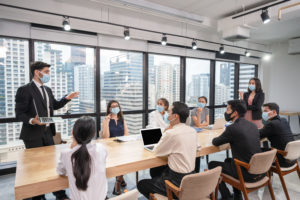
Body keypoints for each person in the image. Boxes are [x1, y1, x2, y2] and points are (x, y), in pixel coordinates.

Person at [15, 61, 79, 200]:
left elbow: (54, 106)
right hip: (33, 134)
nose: (48, 74)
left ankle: (60, 194)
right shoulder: (24, 90)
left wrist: (67, 98)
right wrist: (32, 120)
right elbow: (19, 113)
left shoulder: (47, 90)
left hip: (48, 132)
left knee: (52, 165)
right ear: (37, 72)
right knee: (36, 169)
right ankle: (39, 197)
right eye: (47, 72)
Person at [137, 102, 198, 199]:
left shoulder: (171, 133)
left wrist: (166, 132)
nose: (167, 114)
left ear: (175, 116)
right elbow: (196, 147)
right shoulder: (192, 131)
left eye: (169, 112)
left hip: (176, 182)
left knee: (141, 184)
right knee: (156, 170)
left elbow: (157, 151)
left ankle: (166, 195)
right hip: (190, 177)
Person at [208, 100, 265, 200]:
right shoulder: (253, 125)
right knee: (228, 160)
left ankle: (226, 196)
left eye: (228, 109)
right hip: (260, 171)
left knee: (212, 164)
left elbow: (216, 142)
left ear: (235, 113)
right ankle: (237, 196)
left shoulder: (233, 128)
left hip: (246, 174)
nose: (226, 112)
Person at [57, 117, 107, 200]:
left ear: (73, 133)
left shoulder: (66, 154)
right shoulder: (101, 149)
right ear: (94, 134)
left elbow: (60, 171)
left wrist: (73, 146)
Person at [102, 100, 128, 195]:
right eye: (112, 106)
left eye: (117, 106)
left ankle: (120, 178)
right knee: (120, 160)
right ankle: (118, 182)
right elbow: (106, 137)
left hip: (121, 145)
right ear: (109, 109)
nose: (115, 108)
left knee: (124, 158)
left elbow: (126, 133)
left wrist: (123, 143)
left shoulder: (122, 119)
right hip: (110, 147)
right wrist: (107, 122)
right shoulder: (106, 120)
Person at [260, 103, 296, 167]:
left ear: (274, 112)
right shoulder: (284, 120)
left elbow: (258, 136)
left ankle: (262, 173)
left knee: (257, 149)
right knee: (265, 144)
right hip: (292, 159)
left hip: (281, 161)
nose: (263, 113)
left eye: (265, 111)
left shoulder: (272, 124)